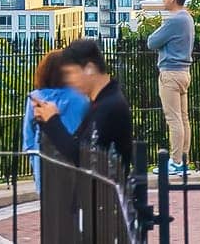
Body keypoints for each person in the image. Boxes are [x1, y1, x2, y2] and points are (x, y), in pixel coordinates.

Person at [31, 38, 134, 169]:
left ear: (89, 69)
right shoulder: (102, 101)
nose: (68, 80)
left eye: (71, 73)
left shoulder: (109, 106)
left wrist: (52, 121)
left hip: (104, 188)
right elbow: (77, 146)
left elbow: (82, 157)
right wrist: (47, 121)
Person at [22, 49, 89, 184]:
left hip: (43, 160)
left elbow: (28, 135)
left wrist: (33, 158)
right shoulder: (81, 99)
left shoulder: (35, 99)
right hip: (72, 160)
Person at [147, 0, 194, 174]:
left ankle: (175, 162)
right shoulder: (188, 18)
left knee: (173, 119)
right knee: (183, 118)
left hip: (171, 73)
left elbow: (152, 42)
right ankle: (183, 159)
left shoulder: (174, 20)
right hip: (184, 71)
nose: (163, 0)